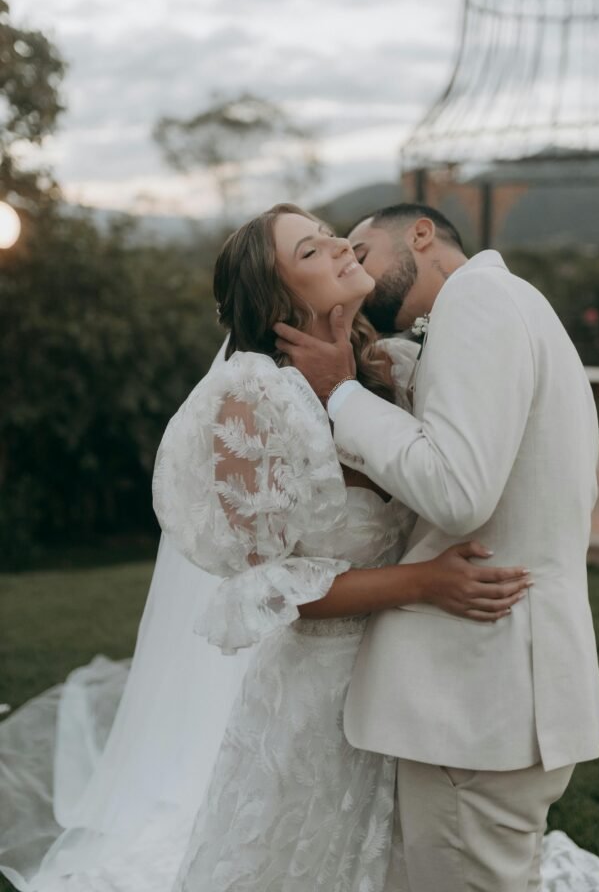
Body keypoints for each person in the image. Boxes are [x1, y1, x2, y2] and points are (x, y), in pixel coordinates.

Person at [0, 203, 529, 892]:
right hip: (319, 699)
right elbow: (276, 591)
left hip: (411, 675)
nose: (341, 247)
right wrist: (425, 583)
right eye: (311, 251)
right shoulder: (247, 403)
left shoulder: (387, 368)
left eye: (329, 236)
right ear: (278, 297)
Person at [274, 202, 599, 892]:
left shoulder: (479, 303)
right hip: (494, 688)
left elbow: (459, 492)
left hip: (478, 692)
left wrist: (339, 393)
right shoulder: (509, 304)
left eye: (361, 251)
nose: (357, 273)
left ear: (421, 236)